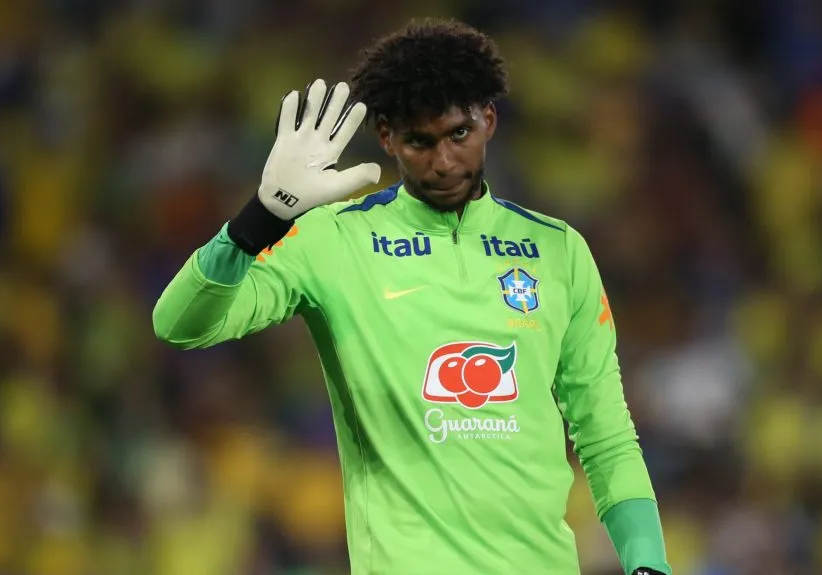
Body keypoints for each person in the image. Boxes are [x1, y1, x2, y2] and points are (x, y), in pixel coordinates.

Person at [153, 17, 671, 575]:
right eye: (420, 142)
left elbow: (606, 436)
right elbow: (180, 323)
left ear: (488, 120)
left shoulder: (557, 250)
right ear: (387, 137)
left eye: (458, 135)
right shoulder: (336, 239)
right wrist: (263, 216)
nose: (444, 161)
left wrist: (648, 565)